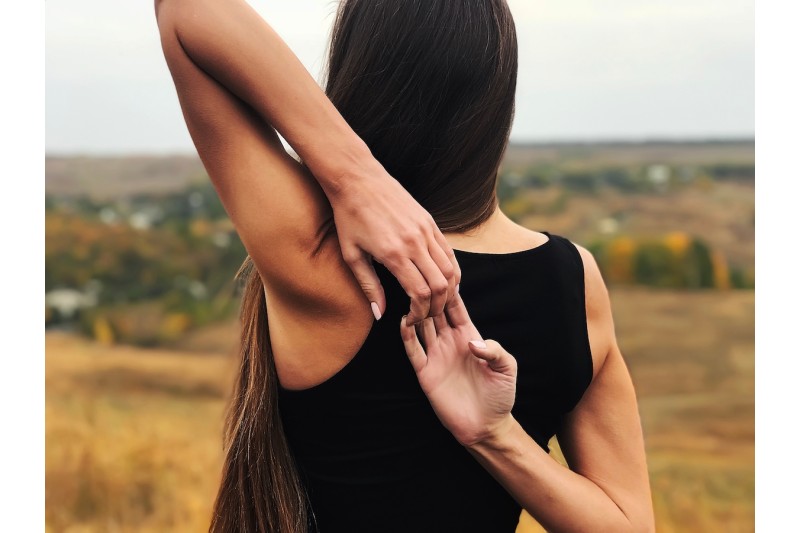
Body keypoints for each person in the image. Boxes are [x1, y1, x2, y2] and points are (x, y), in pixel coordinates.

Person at [154, 0, 655, 531]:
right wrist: (502, 441)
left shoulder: (319, 258)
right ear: (498, 100)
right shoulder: (571, 279)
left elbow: (185, 11)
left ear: (357, 73)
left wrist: (355, 177)